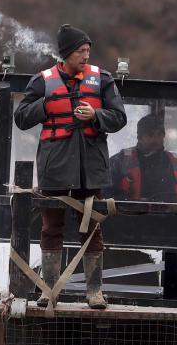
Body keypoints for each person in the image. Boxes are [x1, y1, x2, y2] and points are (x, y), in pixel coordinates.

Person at [13, 24, 127, 309]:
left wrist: (96, 114)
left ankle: (94, 293)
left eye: (88, 51)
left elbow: (119, 118)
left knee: (91, 228)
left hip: (91, 169)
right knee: (51, 228)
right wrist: (45, 106)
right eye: (80, 51)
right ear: (65, 54)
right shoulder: (41, 82)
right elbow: (22, 118)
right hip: (55, 169)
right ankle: (47, 290)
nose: (86, 56)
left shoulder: (103, 79)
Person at [109, 113, 177, 202]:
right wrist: (131, 203)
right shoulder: (120, 161)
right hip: (130, 214)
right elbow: (106, 194)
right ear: (140, 137)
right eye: (150, 135)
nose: (155, 139)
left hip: (172, 214)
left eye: (159, 134)